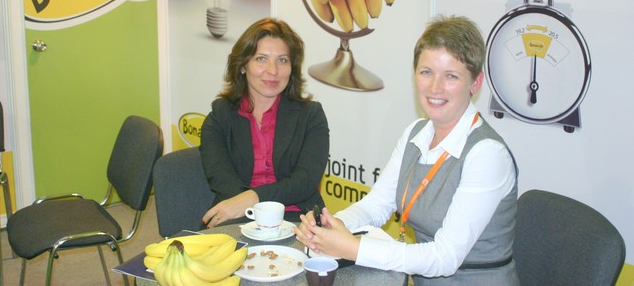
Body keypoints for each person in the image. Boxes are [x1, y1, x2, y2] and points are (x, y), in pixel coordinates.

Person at [295, 15, 519, 285]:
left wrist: (354, 248)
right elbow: (377, 205)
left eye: (451, 76)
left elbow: (445, 258)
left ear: (475, 82)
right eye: (426, 72)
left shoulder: (487, 154)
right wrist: (330, 224)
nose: (435, 87)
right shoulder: (416, 133)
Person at [200, 18, 330, 228]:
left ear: (292, 67)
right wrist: (247, 209)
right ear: (243, 65)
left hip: (298, 217)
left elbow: (305, 182)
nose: (273, 70)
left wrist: (253, 198)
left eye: (282, 60)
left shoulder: (311, 115)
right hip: (237, 216)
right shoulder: (220, 117)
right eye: (261, 59)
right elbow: (223, 181)